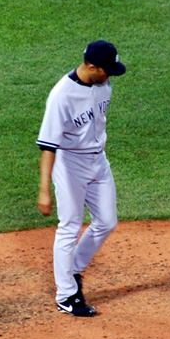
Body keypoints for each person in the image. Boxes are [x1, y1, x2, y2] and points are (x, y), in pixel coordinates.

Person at [36, 40, 126, 316]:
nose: (110, 76)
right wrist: (44, 190)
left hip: (98, 159)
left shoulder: (103, 85)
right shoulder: (61, 96)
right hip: (69, 163)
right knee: (70, 224)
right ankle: (66, 296)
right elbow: (48, 146)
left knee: (107, 221)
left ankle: (72, 269)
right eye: (106, 71)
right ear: (91, 67)